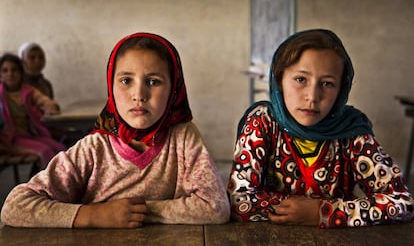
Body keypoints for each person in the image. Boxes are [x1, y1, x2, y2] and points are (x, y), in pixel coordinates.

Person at [1, 32, 230, 228]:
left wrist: (136, 212)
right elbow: (15, 206)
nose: (138, 94)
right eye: (126, 80)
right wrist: (93, 215)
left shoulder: (183, 137)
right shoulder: (94, 149)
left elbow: (215, 207)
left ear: (174, 91)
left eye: (153, 81)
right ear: (110, 86)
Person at [227, 29, 414, 228]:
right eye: (300, 79)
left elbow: (403, 203)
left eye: (327, 83)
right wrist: (302, 212)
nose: (313, 96)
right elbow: (238, 201)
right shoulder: (263, 123)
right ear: (279, 80)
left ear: (341, 89)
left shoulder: (351, 132)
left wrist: (322, 212)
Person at [0, 53, 66, 168]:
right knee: (45, 152)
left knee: (61, 149)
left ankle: (69, 181)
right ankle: (49, 184)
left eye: (14, 70)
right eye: (5, 71)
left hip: (31, 135)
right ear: (0, 75)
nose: (10, 74)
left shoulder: (28, 91)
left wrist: (50, 107)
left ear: (21, 73)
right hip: (9, 140)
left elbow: (44, 100)